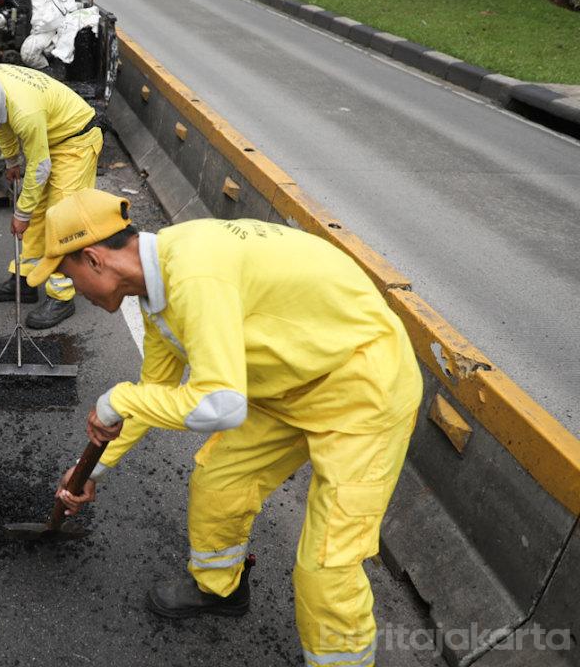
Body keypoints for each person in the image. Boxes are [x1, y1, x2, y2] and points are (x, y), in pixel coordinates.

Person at [35, 189, 421, 667]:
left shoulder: (195, 272)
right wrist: (90, 471)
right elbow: (153, 390)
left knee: (326, 565)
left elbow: (220, 405)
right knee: (220, 481)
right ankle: (221, 589)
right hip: (281, 385)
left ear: (93, 259)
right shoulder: (156, 295)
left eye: (67, 277)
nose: (75, 293)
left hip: (361, 387)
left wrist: (117, 400)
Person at [0, 63, 103, 329]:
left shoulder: (25, 110)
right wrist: (11, 159)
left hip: (76, 141)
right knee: (38, 210)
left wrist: (21, 214)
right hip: (49, 137)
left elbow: (40, 166)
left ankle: (62, 295)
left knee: (62, 219)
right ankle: (26, 280)